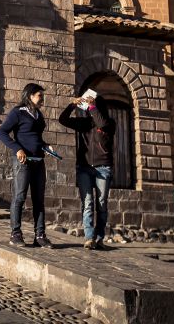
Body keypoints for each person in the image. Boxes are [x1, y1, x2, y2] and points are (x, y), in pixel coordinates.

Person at [0, 83, 54, 248]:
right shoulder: (18, 113)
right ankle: (15, 234)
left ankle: (40, 236)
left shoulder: (39, 115)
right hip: (23, 162)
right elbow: (1, 132)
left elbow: (36, 138)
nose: (42, 99)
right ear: (30, 96)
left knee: (39, 199)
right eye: (40, 96)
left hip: (38, 161)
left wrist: (46, 146)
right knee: (19, 197)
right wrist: (17, 149)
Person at [59, 92, 116, 250]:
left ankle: (99, 238)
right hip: (84, 167)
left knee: (101, 204)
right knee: (88, 202)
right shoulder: (84, 123)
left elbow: (102, 124)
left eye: (93, 105)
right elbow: (62, 120)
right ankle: (89, 238)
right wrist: (72, 105)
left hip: (103, 167)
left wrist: (92, 106)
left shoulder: (109, 123)